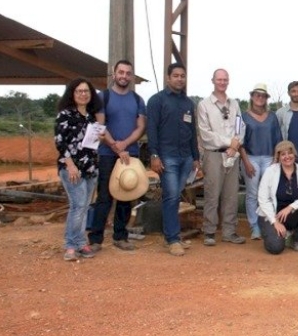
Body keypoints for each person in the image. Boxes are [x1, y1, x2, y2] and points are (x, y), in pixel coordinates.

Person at [89, 60, 146, 252]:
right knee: (104, 197)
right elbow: (100, 127)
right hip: (107, 154)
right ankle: (95, 239)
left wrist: (125, 144)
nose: (124, 76)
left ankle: (120, 236)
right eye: (121, 72)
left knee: (126, 196)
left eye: (128, 73)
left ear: (131, 76)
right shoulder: (103, 97)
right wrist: (116, 147)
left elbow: (140, 127)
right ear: (114, 74)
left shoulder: (138, 100)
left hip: (131, 154)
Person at [146, 63, 200, 257]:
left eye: (182, 76)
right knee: (171, 196)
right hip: (166, 157)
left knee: (175, 196)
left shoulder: (188, 103)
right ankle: (172, 239)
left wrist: (196, 157)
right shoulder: (156, 101)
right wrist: (154, 155)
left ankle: (173, 234)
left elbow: (192, 132)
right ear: (168, 78)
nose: (179, 79)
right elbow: (151, 129)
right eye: (175, 75)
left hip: (186, 157)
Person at [197, 68, 246, 246]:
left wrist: (236, 145)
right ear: (213, 81)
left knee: (231, 195)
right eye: (219, 79)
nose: (222, 82)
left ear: (228, 81)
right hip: (214, 155)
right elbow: (205, 133)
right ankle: (209, 231)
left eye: (225, 79)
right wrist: (228, 142)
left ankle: (229, 231)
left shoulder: (235, 105)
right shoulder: (204, 105)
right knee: (212, 194)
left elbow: (240, 126)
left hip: (233, 155)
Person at [55, 78, 102, 261]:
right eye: (79, 91)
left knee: (84, 206)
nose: (83, 94)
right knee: (78, 205)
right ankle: (70, 246)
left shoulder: (91, 117)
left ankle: (81, 242)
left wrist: (101, 137)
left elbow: (91, 143)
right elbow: (60, 142)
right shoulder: (65, 115)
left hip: (90, 167)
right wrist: (70, 165)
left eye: (86, 91)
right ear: (72, 94)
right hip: (72, 168)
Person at [257, 141, 298, 254]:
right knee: (275, 247)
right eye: (283, 154)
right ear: (278, 157)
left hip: (291, 214)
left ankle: (297, 239)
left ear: (294, 154)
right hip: (270, 216)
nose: (287, 157)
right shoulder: (270, 171)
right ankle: (271, 234)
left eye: (290, 153)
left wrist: (290, 207)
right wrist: (275, 221)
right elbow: (263, 199)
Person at [240, 83, 283, 240]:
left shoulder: (272, 117)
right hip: (250, 157)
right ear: (252, 96)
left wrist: (275, 160)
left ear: (266, 98)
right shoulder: (243, 116)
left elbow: (278, 140)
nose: (260, 98)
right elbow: (239, 141)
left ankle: (269, 223)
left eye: (263, 95)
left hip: (269, 158)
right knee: (252, 193)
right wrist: (246, 162)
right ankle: (254, 226)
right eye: (257, 94)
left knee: (269, 193)